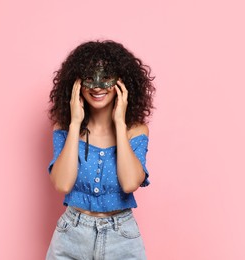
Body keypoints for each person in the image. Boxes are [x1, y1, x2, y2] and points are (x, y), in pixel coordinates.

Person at [46, 40, 155, 259]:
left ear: (122, 83)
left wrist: (120, 124)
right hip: (72, 235)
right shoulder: (66, 129)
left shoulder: (135, 131)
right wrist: (75, 123)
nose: (97, 86)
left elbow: (130, 182)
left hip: (121, 238)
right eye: (90, 77)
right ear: (76, 82)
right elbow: (62, 183)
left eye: (106, 78)